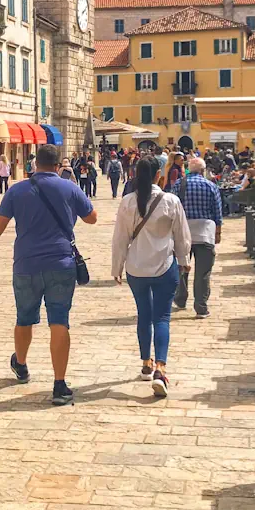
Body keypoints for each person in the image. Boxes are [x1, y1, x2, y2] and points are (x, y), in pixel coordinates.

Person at [0, 144, 98, 407]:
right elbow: (92, 218)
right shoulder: (69, 187)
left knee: (24, 317)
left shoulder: (17, 190)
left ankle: (21, 364)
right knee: (59, 321)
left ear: (34, 164)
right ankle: (59, 385)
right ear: (57, 166)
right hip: (61, 263)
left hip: (26, 264)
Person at [112, 156, 191, 398]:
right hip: (164, 267)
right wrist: (184, 261)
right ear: (159, 175)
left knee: (143, 315)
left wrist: (116, 267)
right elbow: (182, 236)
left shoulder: (127, 202)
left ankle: (146, 362)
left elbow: (120, 239)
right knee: (162, 318)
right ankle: (160, 368)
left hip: (136, 268)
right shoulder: (170, 201)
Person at [172, 157, 223, 318]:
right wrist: (218, 233)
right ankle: (200, 306)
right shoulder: (211, 186)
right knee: (203, 272)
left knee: (181, 267)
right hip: (205, 233)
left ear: (189, 169)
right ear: (203, 170)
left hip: (183, 233)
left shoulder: (179, 184)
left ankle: (180, 298)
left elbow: (172, 209)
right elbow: (217, 212)